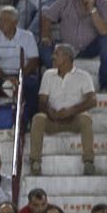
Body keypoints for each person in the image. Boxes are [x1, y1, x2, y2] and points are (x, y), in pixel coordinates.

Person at [29, 44, 95, 177]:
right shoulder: (48, 74)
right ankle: (35, 161)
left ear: (67, 57)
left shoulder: (83, 76)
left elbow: (92, 101)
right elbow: (42, 101)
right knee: (38, 118)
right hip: (53, 120)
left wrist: (72, 110)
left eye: (56, 54)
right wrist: (50, 112)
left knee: (86, 119)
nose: (52, 57)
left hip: (74, 120)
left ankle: (88, 161)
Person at [40, 0, 107, 92]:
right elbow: (47, 16)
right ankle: (59, 80)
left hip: (90, 48)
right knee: (44, 46)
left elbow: (105, 31)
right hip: (67, 48)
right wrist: (46, 35)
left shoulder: (104, 4)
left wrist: (92, 9)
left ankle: (105, 85)